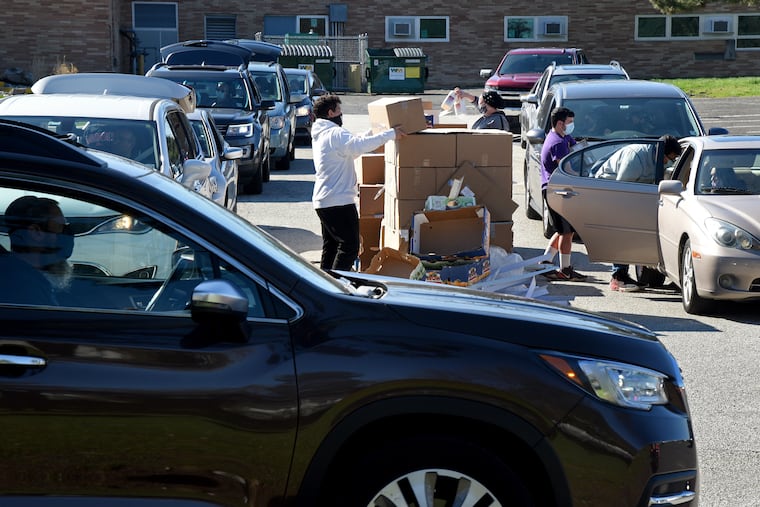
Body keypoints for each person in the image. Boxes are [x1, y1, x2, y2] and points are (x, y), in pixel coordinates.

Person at [311, 94, 406, 271]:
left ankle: (324, 284)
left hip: (324, 200)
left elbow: (353, 146)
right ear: (331, 113)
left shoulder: (322, 134)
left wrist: (375, 132)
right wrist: (390, 134)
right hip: (339, 201)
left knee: (331, 247)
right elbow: (358, 146)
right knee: (349, 246)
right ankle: (338, 286)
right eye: (339, 111)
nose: (341, 115)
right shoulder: (334, 133)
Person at [598, 134, 682, 291]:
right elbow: (622, 188)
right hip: (614, 193)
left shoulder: (658, 158)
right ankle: (618, 277)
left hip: (634, 194)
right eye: (669, 159)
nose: (669, 163)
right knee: (623, 232)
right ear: (661, 153)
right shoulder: (636, 158)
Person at [540, 107, 587, 282]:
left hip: (560, 190)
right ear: (560, 123)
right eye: (570, 122)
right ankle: (565, 269)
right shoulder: (557, 143)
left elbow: (576, 148)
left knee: (563, 230)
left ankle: (545, 260)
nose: (572, 125)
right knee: (566, 233)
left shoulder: (563, 137)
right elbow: (567, 167)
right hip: (556, 191)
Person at [0, 195, 75, 305]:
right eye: (60, 226)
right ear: (36, 232)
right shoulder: (25, 289)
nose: (67, 232)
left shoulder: (17, 274)